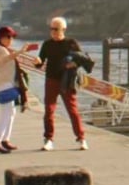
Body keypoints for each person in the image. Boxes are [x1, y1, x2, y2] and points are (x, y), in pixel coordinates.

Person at [38, 17, 92, 151]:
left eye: (56, 29)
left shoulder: (71, 43)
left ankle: (81, 139)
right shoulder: (47, 44)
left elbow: (84, 60)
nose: (53, 32)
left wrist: (75, 63)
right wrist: (36, 61)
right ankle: (48, 139)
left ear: (64, 29)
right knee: (49, 110)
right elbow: (40, 63)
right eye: (51, 29)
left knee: (72, 110)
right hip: (51, 79)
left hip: (67, 80)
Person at [0, 26, 28, 153]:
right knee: (6, 113)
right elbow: (4, 60)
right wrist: (20, 52)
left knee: (11, 112)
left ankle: (5, 139)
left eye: (12, 37)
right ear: (1, 38)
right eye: (8, 37)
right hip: (4, 83)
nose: (10, 40)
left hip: (5, 82)